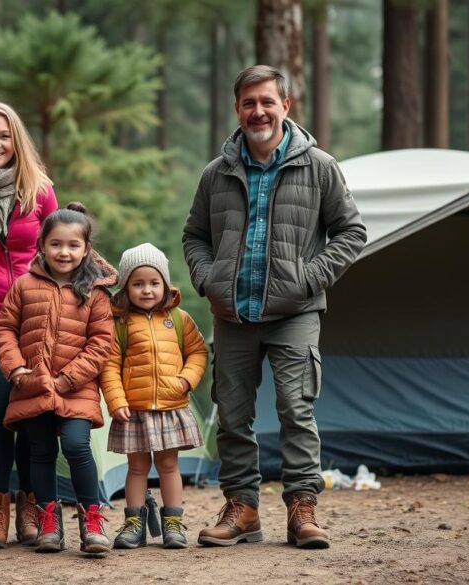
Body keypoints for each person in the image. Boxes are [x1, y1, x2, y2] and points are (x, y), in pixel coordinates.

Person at [182, 65, 366, 550]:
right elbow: (194, 235)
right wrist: (209, 280)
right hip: (233, 315)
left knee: (294, 407)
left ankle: (302, 510)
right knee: (233, 414)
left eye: (267, 101)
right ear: (237, 108)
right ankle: (242, 509)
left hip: (295, 313)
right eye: (249, 103)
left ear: (286, 105)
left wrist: (308, 279)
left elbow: (352, 233)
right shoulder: (215, 173)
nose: (258, 111)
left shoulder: (319, 166)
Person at [0, 203, 117, 556]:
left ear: (86, 249)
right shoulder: (24, 286)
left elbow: (101, 343)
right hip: (32, 387)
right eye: (56, 244)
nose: (64, 252)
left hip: (76, 388)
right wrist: (16, 370)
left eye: (73, 245)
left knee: (77, 446)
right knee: (40, 451)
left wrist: (66, 379)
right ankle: (49, 519)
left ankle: (91, 519)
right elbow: (4, 329)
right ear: (42, 244)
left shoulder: (95, 293)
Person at [0, 101, 58, 549]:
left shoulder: (40, 190)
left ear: (15, 138)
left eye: (4, 135)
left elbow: (58, 251)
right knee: (3, 405)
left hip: (34, 315)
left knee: (31, 408)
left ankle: (29, 507)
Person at [99, 243, 208, 550]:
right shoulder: (119, 323)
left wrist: (187, 380)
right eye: (138, 283)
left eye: (153, 283)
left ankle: (173, 523)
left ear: (164, 284)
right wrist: (116, 400)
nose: (146, 290)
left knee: (169, 466)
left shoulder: (179, 318)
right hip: (133, 409)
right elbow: (109, 365)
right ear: (126, 286)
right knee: (136, 468)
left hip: (171, 406)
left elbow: (198, 352)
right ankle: (134, 523)